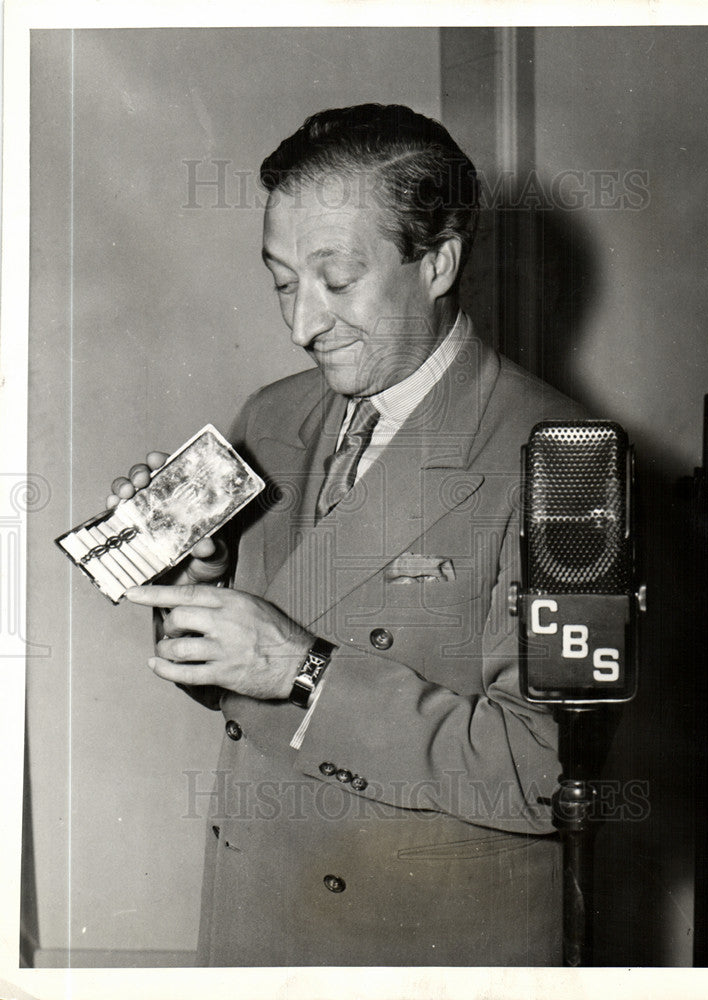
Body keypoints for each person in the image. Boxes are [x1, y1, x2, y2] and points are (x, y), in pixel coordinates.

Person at [112, 104, 585, 966]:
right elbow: (232, 692)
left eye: (335, 279)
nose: (301, 325)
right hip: (255, 923)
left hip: (418, 943)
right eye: (283, 281)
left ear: (437, 262)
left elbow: (544, 773)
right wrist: (198, 584)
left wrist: (305, 669)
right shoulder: (274, 415)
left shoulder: (566, 463)